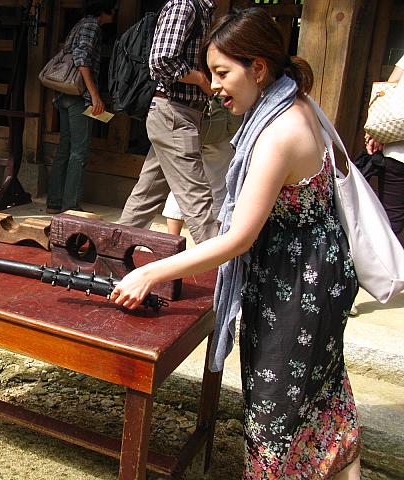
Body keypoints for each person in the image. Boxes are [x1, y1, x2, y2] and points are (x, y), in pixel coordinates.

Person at [111, 8, 361, 479]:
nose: (215, 85)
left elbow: (239, 238)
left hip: (299, 286)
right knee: (321, 395)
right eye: (211, 73)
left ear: (258, 68)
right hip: (310, 272)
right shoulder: (295, 104)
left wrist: (151, 271)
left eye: (223, 73)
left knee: (275, 410)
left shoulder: (279, 133)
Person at [118, 0, 218, 244]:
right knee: (196, 197)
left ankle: (112, 250)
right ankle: (222, 263)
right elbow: (161, 60)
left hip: (179, 113)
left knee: (146, 195)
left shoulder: (203, 9)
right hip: (174, 112)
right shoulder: (185, 5)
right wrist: (202, 80)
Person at [45, 0, 116, 215]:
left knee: (64, 148)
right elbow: (82, 59)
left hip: (64, 93)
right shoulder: (92, 26)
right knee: (79, 151)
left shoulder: (80, 24)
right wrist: (94, 95)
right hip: (78, 96)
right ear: (104, 9)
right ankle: (71, 205)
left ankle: (54, 202)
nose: (115, 13)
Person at [163, 97, 239, 236]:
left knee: (182, 181)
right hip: (221, 127)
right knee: (218, 182)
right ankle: (213, 239)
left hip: (189, 121)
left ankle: (171, 238)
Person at [365, 53, 404, 247]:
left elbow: (389, 87)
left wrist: (379, 132)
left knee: (389, 225)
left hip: (398, 152)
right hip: (397, 154)